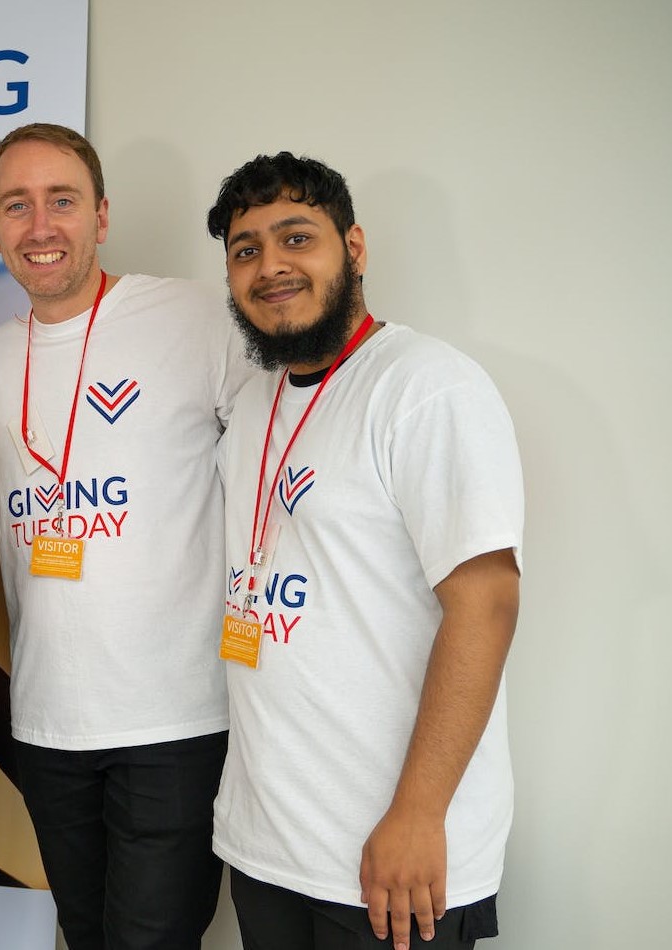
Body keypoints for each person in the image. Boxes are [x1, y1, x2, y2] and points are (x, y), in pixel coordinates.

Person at [206, 152, 522, 950]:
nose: (270, 267)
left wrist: (419, 812)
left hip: (391, 856)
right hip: (269, 844)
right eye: (246, 250)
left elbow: (486, 604)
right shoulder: (252, 405)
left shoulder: (424, 386)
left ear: (354, 248)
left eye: (295, 238)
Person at [0, 122, 255, 950]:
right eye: (16, 206)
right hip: (48, 722)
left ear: (101, 214)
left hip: (174, 720)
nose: (41, 226)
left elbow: (285, 456)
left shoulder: (197, 317)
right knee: (88, 935)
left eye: (61, 201)